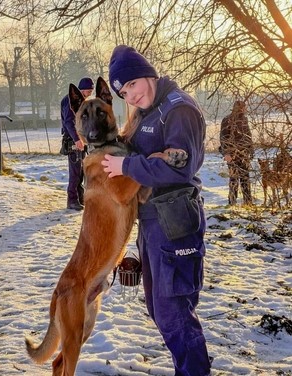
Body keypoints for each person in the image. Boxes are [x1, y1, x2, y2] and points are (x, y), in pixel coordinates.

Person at [101, 45, 212, 376]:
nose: (130, 96)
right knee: (159, 307)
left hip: (175, 224)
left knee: (173, 309)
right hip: (152, 223)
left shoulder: (178, 110)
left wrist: (126, 165)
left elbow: (177, 167)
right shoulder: (149, 113)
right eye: (123, 92)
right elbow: (140, 154)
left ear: (146, 73)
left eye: (132, 85)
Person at [60, 77, 94, 210]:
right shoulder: (70, 100)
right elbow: (69, 122)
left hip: (81, 140)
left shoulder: (82, 101)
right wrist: (76, 139)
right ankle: (72, 200)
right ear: (83, 89)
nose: (90, 93)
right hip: (73, 140)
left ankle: (80, 198)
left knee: (80, 171)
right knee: (74, 171)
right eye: (89, 90)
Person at [219, 100, 254, 206]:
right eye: (243, 107)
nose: (245, 109)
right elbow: (223, 137)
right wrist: (226, 154)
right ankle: (232, 203)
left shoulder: (244, 119)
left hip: (244, 154)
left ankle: (248, 203)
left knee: (245, 178)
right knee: (234, 179)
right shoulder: (227, 120)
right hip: (232, 154)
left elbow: (248, 136)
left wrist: (251, 150)